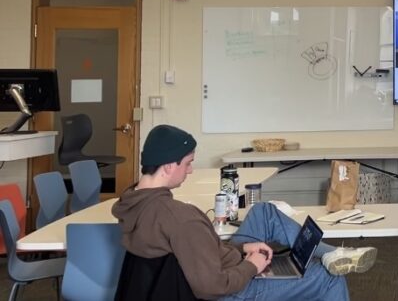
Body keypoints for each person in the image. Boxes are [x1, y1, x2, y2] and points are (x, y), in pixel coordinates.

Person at [113, 125, 375, 301]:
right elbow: (211, 286)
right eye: (188, 163)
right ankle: (330, 260)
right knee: (330, 278)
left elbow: (198, 252)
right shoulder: (181, 219)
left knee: (264, 212)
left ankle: (330, 253)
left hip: (217, 262)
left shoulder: (132, 201)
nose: (190, 170)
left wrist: (242, 249)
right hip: (232, 289)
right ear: (169, 166)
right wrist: (251, 265)